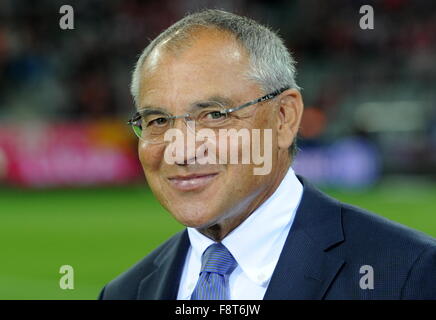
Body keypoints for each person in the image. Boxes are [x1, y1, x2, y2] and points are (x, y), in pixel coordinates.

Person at [98, 9, 436, 300]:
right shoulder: (124, 292)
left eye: (214, 115)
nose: (182, 150)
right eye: (157, 121)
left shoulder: (407, 274)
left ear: (284, 117)